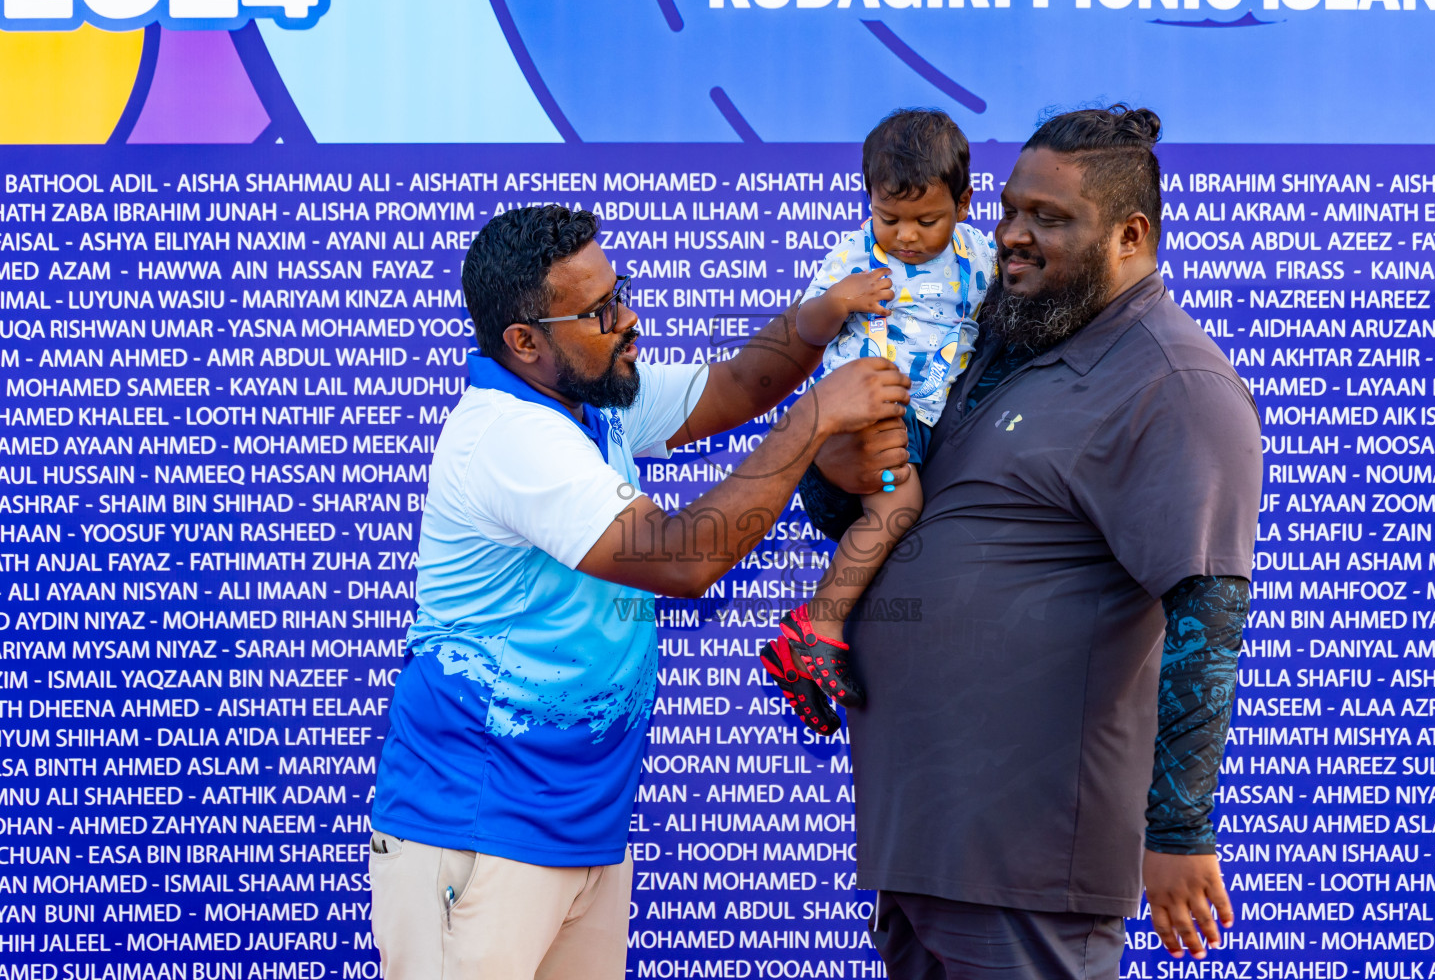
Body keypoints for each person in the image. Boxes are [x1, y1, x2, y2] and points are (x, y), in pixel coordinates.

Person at [367, 204, 910, 980]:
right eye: (598, 312)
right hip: (477, 830)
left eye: (620, 292)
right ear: (524, 342)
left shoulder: (591, 397)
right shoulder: (510, 436)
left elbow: (734, 386)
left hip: (580, 825)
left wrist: (822, 317)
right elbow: (685, 560)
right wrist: (817, 416)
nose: (630, 320)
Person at [802, 106, 1262, 977]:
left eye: (1048, 219)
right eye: (1011, 210)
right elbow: (872, 512)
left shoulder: (1174, 382)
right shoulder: (999, 339)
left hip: (1028, 871)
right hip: (924, 849)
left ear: (1132, 234)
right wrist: (833, 463)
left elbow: (1208, 613)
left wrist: (1177, 829)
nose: (1011, 236)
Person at [760, 109, 993, 733]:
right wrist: (840, 301)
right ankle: (817, 626)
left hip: (920, 413)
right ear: (868, 202)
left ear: (966, 202)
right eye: (890, 218)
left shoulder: (980, 255)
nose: (908, 236)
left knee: (904, 517)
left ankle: (809, 649)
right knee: (897, 506)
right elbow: (804, 328)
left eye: (927, 220)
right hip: (864, 403)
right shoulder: (857, 254)